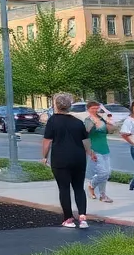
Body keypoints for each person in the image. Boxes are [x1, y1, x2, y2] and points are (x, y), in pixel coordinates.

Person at [41, 92, 96, 228]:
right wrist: (90, 153)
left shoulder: (53, 121)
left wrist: (44, 157)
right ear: (69, 106)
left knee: (64, 188)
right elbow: (86, 141)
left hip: (61, 159)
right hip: (78, 158)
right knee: (78, 188)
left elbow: (47, 142)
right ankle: (83, 218)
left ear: (57, 105)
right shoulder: (77, 122)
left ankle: (68, 218)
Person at [83, 100, 115, 203]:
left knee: (107, 173)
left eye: (97, 108)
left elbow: (110, 131)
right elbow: (85, 136)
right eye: (93, 108)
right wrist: (89, 151)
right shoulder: (88, 120)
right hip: (95, 149)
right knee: (103, 173)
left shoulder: (102, 119)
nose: (95, 110)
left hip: (105, 148)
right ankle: (91, 185)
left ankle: (102, 195)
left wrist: (109, 120)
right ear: (88, 109)